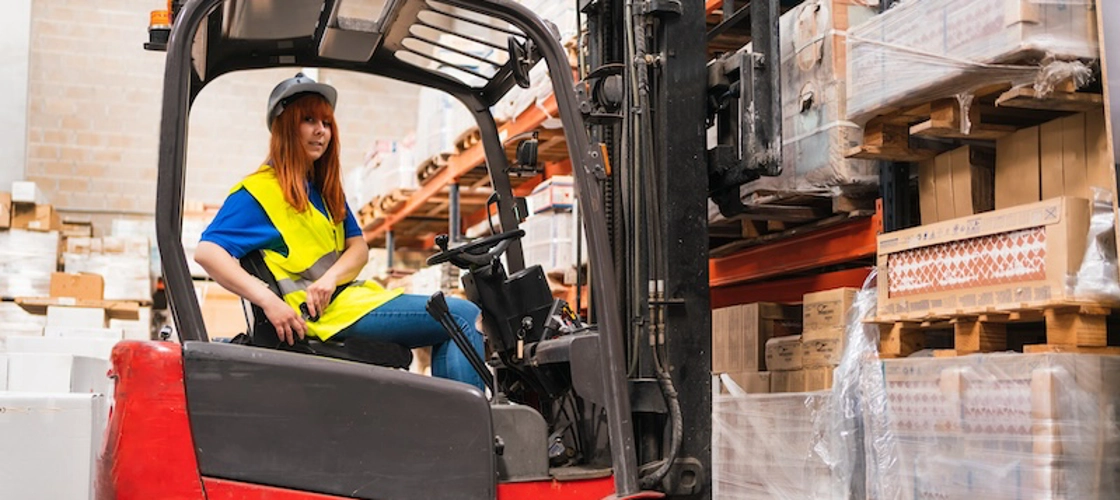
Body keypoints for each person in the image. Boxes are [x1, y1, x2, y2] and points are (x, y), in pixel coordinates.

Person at [194, 73, 486, 391]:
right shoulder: (259, 192)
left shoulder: (323, 190)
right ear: (285, 127)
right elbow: (208, 252)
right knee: (462, 315)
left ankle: (453, 418)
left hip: (347, 301)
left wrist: (330, 278)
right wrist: (268, 301)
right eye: (309, 120)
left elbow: (358, 248)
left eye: (326, 123)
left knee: (452, 326)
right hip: (321, 317)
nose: (321, 130)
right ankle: (469, 422)